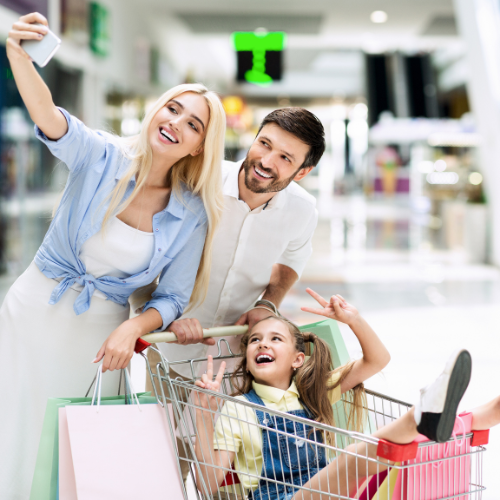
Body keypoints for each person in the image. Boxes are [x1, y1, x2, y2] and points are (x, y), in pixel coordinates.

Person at [0, 13, 225, 499]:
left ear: (200, 144)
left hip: (99, 336)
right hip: (33, 309)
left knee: (77, 442)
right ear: (156, 111)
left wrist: (131, 326)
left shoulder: (191, 214)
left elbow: (172, 297)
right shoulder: (100, 155)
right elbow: (49, 116)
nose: (175, 125)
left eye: (192, 124)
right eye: (172, 110)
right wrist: (18, 53)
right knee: (15, 425)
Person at [192, 289, 481, 500]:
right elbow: (207, 484)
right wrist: (203, 412)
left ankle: (467, 414)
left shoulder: (312, 393)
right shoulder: (239, 408)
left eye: (274, 339)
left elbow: (376, 360)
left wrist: (353, 319)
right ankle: (420, 415)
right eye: (255, 340)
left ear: (298, 359)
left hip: (329, 493)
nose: (262, 344)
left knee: (382, 475)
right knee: (350, 459)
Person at [143, 106, 326, 383]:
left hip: (238, 362)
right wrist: (161, 315)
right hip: (169, 347)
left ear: (302, 172)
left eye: (285, 158)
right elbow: (144, 254)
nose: (266, 161)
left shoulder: (302, 211)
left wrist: (267, 304)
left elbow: (293, 260)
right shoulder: (199, 181)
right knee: (159, 426)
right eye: (264, 144)